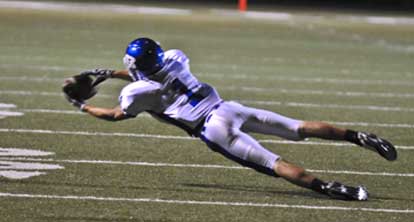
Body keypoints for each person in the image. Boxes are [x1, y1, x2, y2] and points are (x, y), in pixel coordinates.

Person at [65, 37, 398, 201]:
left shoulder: (136, 93)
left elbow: (115, 114)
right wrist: (108, 73)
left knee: (273, 162)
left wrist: (81, 106)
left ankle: (332, 188)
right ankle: (360, 137)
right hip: (229, 107)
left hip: (212, 128)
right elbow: (148, 75)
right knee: (298, 127)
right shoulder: (176, 59)